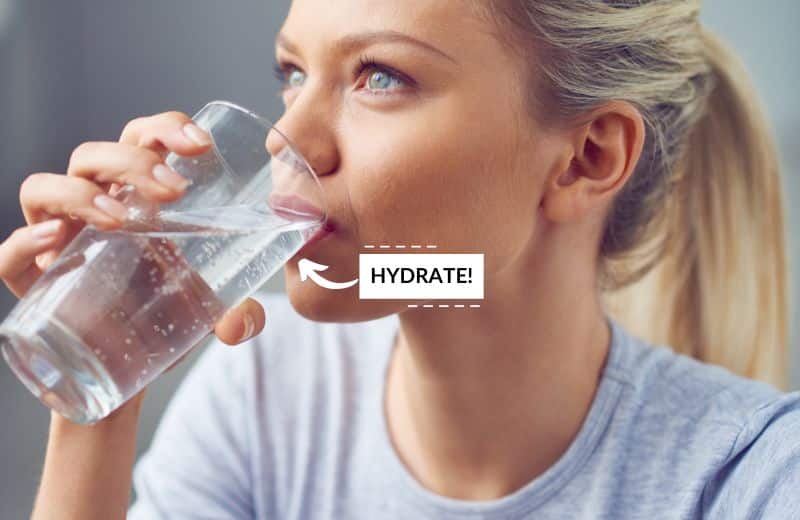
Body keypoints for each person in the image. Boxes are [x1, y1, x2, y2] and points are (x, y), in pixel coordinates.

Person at [2, 0, 797, 518]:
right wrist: (100, 386)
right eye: (293, 74)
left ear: (587, 158)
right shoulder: (267, 392)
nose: (288, 143)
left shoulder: (751, 479)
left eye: (380, 76)